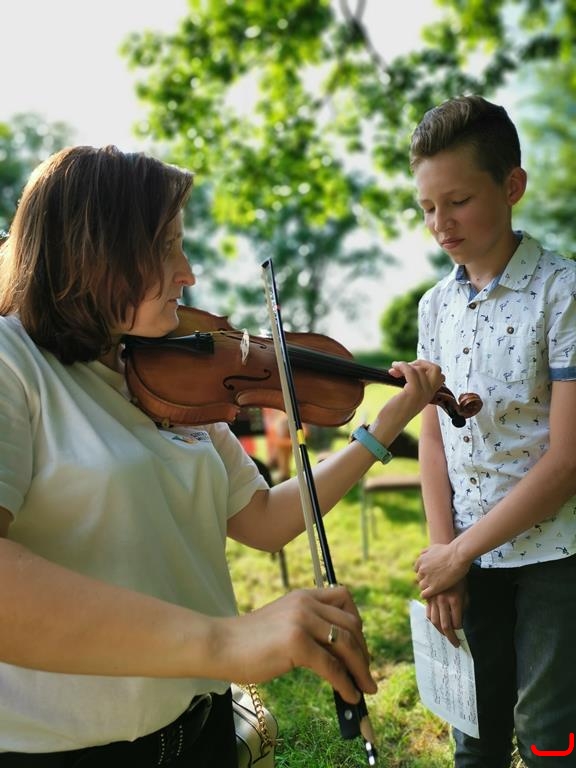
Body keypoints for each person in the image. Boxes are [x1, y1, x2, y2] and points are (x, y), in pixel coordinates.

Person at [0, 144, 444, 766]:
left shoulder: (164, 372)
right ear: (93, 250)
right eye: (165, 248)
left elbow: (264, 518)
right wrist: (226, 641)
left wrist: (382, 428)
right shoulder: (12, 362)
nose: (187, 273)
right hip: (65, 753)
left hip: (199, 731)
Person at [410, 95, 576, 767]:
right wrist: (444, 554)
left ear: (512, 186)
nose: (440, 224)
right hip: (467, 558)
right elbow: (433, 438)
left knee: (548, 736)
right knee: (473, 731)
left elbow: (567, 461)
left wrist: (457, 554)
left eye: (458, 201)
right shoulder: (435, 307)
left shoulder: (563, 290)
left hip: (554, 557)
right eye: (427, 207)